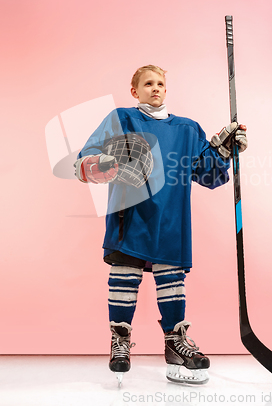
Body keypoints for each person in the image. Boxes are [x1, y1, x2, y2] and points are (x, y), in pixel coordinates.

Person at [74, 65, 247, 386]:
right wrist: (102, 162)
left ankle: (175, 342)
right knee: (125, 273)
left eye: (161, 83)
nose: (156, 88)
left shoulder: (187, 129)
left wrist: (224, 148)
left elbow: (208, 174)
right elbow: (87, 160)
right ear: (134, 91)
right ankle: (120, 341)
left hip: (171, 218)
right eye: (148, 83)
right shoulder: (122, 119)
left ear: (166, 90)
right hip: (131, 214)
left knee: (172, 278)